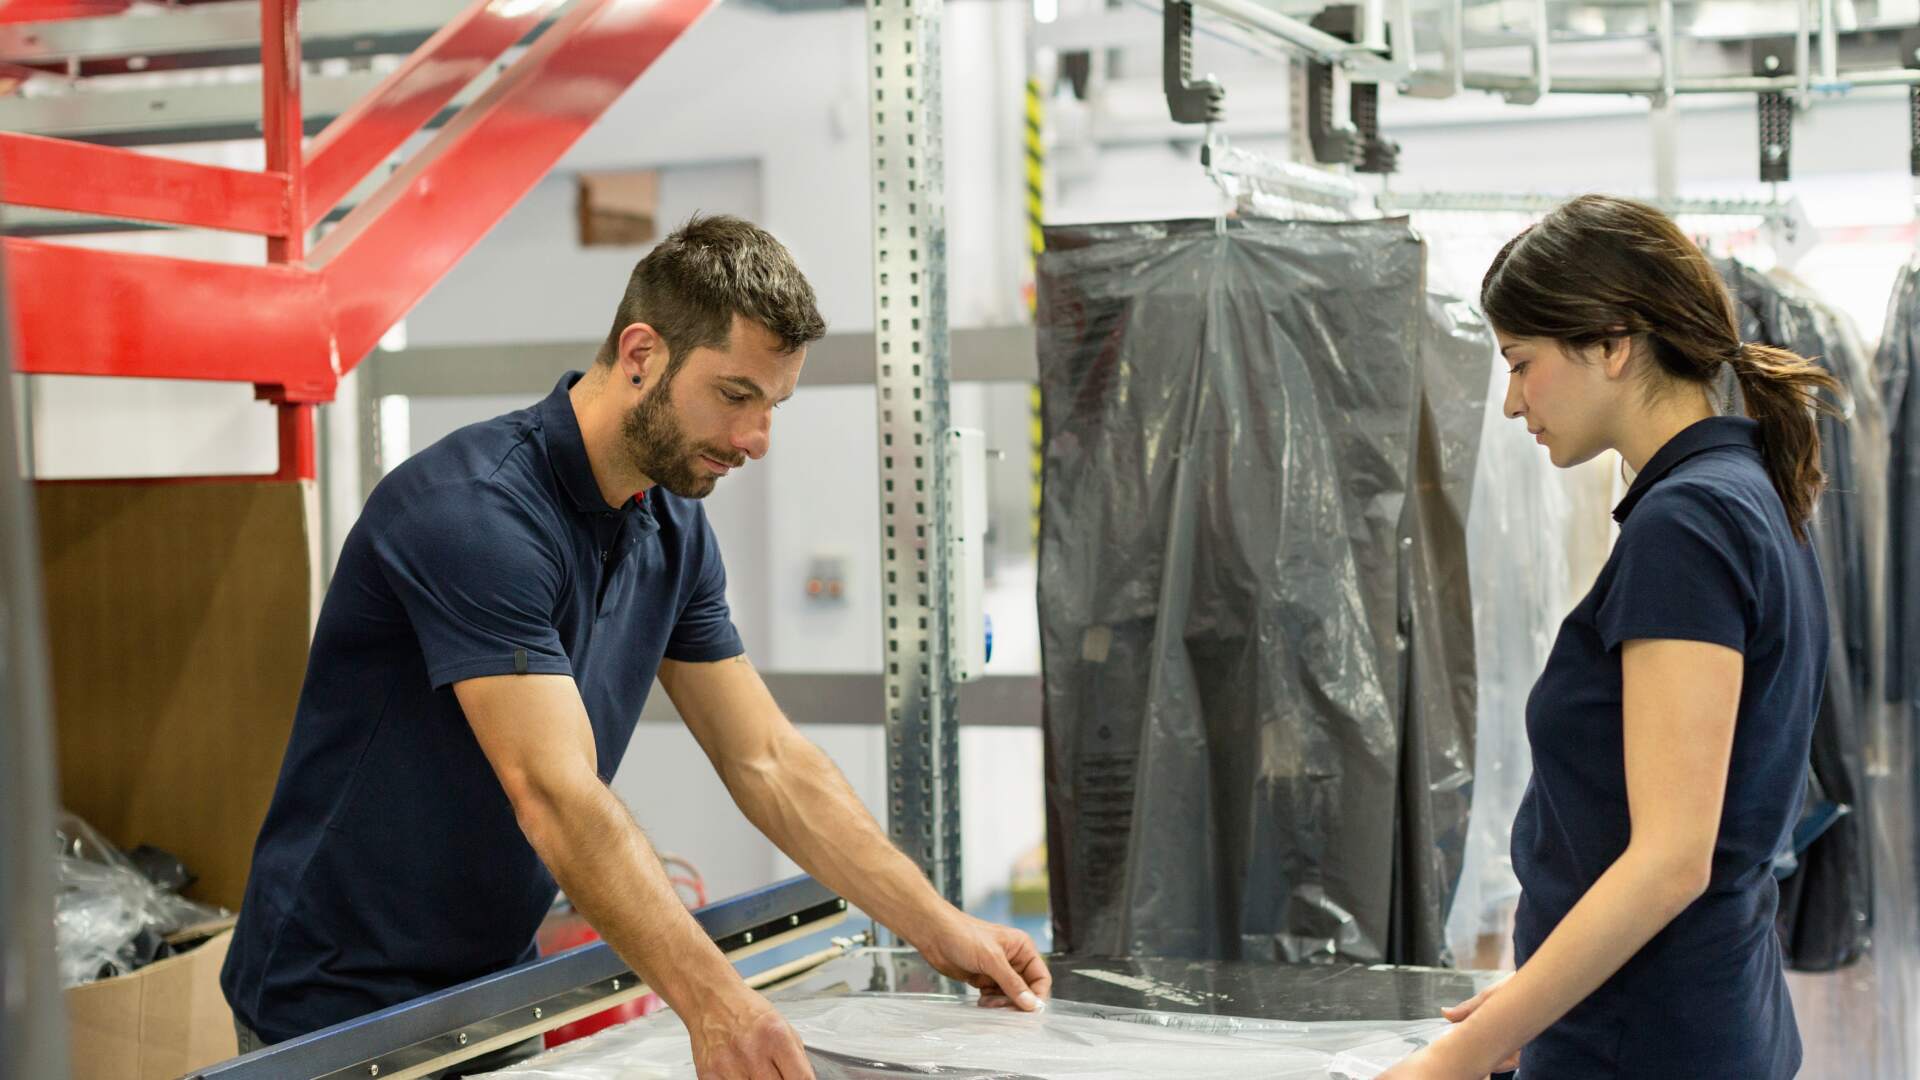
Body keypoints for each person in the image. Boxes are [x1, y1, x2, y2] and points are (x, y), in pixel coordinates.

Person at [221, 215, 1050, 1080]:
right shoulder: (473, 514)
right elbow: (555, 793)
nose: (756, 439)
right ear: (642, 352)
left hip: (492, 989)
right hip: (335, 1004)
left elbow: (768, 759)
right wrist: (718, 1006)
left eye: (773, 405)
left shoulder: (673, 527)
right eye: (735, 395)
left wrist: (938, 924)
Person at [1382, 195, 1839, 1079]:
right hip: (1687, 1014)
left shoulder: (1688, 524)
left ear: (1611, 343)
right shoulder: (1740, 490)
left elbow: (1669, 861)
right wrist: (1527, 1007)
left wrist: (1454, 1058)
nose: (1512, 403)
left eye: (1521, 363)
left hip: (1650, 1035)